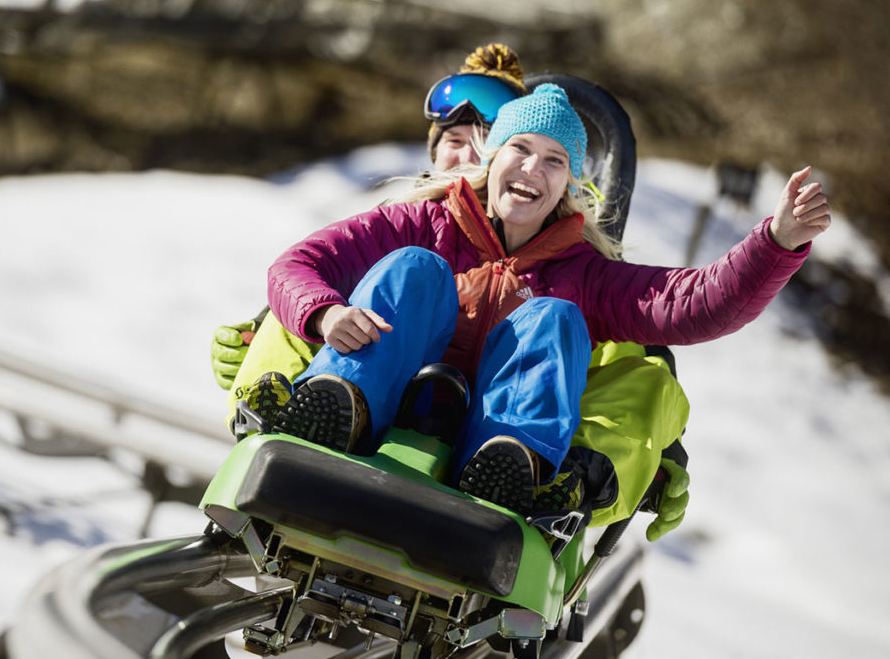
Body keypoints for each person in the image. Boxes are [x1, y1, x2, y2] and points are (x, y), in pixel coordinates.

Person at [257, 83, 830, 518]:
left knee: (555, 318)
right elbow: (298, 265)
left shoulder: (584, 273)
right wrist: (325, 311)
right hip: (381, 412)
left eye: (555, 160)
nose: (533, 168)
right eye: (521, 149)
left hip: (480, 448)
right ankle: (337, 406)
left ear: (570, 183)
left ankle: (511, 463)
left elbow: (695, 303)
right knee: (415, 268)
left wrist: (777, 241)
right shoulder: (422, 223)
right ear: (493, 157)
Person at [210, 44, 527, 394]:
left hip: (467, 411)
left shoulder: (533, 240)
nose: (467, 155)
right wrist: (260, 336)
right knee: (289, 318)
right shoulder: (405, 220)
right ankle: (273, 405)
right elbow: (304, 267)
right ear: (435, 151)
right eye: (454, 140)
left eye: (483, 145)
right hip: (372, 393)